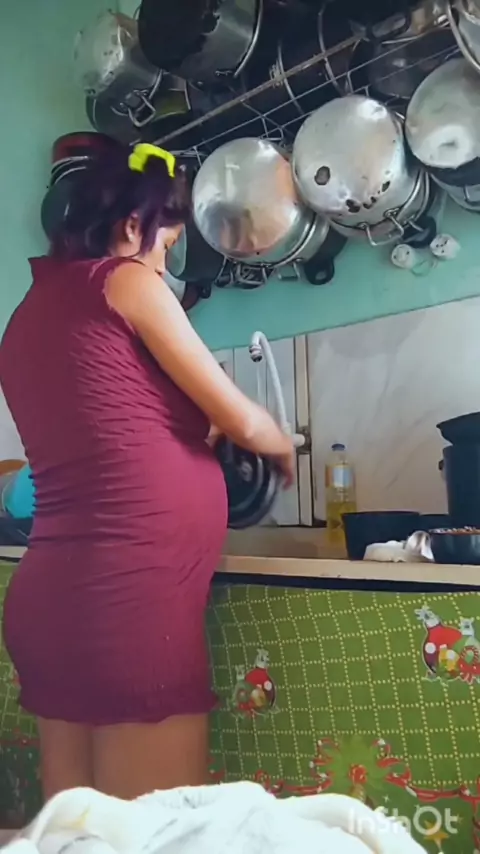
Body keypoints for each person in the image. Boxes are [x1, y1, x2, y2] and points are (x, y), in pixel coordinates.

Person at [0, 143, 295, 802]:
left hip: (53, 598)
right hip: (128, 601)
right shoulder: (126, 281)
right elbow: (243, 420)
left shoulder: (25, 318)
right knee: (158, 834)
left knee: (78, 832)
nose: (163, 264)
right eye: (167, 244)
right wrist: (282, 444)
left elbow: (120, 426)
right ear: (134, 225)